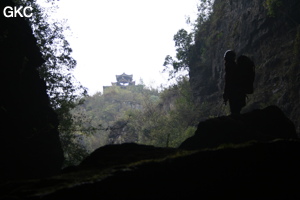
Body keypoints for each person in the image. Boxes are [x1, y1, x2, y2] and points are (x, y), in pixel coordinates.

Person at [223, 50, 246, 115]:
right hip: (240, 93)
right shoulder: (236, 67)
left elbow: (228, 82)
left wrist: (225, 94)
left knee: (235, 112)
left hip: (234, 94)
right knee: (237, 111)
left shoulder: (230, 68)